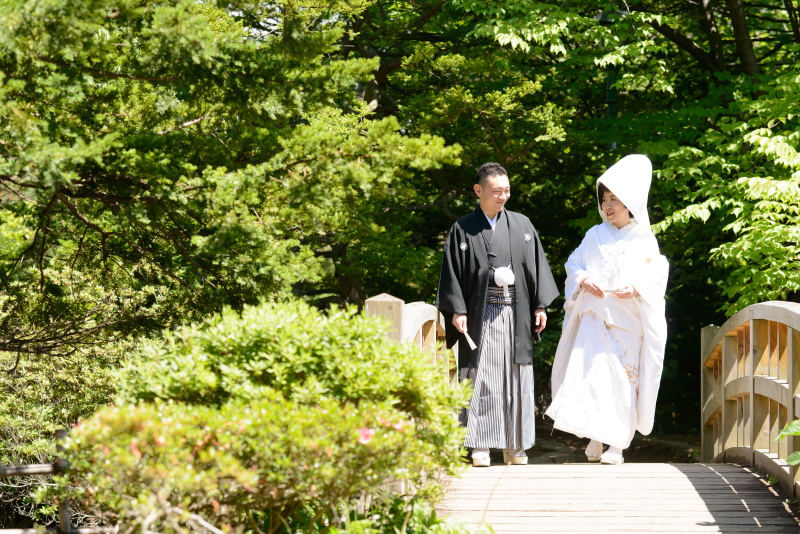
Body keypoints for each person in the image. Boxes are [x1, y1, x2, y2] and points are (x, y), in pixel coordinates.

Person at [545, 154, 669, 465]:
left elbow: (657, 274)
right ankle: (595, 438)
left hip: (627, 321)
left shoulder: (644, 239)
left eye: (615, 198)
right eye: (604, 199)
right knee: (591, 378)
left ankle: (617, 445)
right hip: (594, 318)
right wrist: (584, 279)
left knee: (623, 380)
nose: (608, 205)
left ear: (631, 202)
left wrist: (637, 288)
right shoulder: (593, 235)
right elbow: (573, 264)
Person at [436, 162, 559, 467]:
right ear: (479, 191)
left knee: (516, 377)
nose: (503, 196)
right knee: (481, 376)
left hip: (516, 312)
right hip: (480, 314)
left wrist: (540, 306)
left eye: (507, 190)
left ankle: (515, 446)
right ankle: (480, 445)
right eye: (496, 191)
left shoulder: (522, 226)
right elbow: (452, 274)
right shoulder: (462, 228)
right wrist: (458, 310)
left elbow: (535, 269)